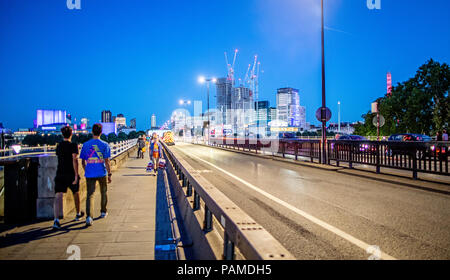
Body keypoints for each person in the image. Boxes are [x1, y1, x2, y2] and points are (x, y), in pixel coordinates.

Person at [80, 124, 112, 226]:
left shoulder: (85, 145)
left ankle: (89, 217)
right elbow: (107, 161)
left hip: (90, 173)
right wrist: (109, 173)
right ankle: (103, 211)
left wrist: (87, 170)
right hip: (102, 172)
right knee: (103, 192)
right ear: (101, 132)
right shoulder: (105, 145)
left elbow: (82, 162)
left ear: (92, 132)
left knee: (90, 194)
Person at [52, 126, 84, 230]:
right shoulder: (73, 145)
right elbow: (74, 160)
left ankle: (56, 220)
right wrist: (76, 175)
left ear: (62, 134)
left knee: (57, 196)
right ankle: (78, 213)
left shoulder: (59, 146)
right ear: (71, 134)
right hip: (70, 173)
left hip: (60, 173)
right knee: (76, 192)